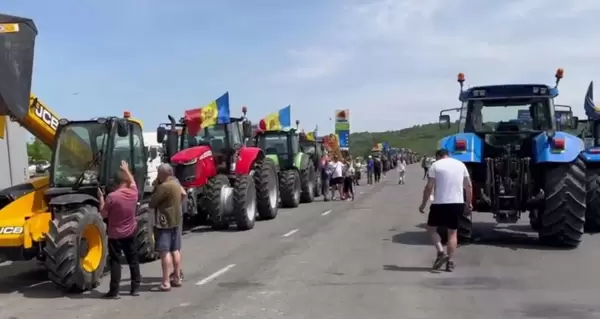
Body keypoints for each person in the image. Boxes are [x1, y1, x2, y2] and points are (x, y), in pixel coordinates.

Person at [418, 149, 472, 272]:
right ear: (448, 155)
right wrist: (469, 203)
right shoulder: (460, 164)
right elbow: (468, 186)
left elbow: (429, 187)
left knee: (431, 229)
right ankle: (450, 262)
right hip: (457, 203)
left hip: (439, 203)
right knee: (452, 233)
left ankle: (441, 252)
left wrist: (423, 204)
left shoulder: (435, 165)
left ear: (438, 156)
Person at [99, 160, 141, 299]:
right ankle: (135, 288)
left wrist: (101, 199)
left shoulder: (112, 197)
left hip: (115, 235)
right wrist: (127, 169)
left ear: (115, 183)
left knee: (116, 263)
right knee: (133, 261)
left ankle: (114, 292)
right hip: (130, 233)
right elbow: (133, 181)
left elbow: (103, 214)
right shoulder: (134, 193)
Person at [149, 163, 183, 291]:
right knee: (176, 250)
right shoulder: (176, 184)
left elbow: (152, 203)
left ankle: (165, 281)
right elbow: (183, 195)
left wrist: (156, 185)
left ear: (164, 174)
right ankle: (177, 277)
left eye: (158, 173)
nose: (157, 175)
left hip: (164, 222)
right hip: (176, 220)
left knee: (164, 252)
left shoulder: (164, 186)